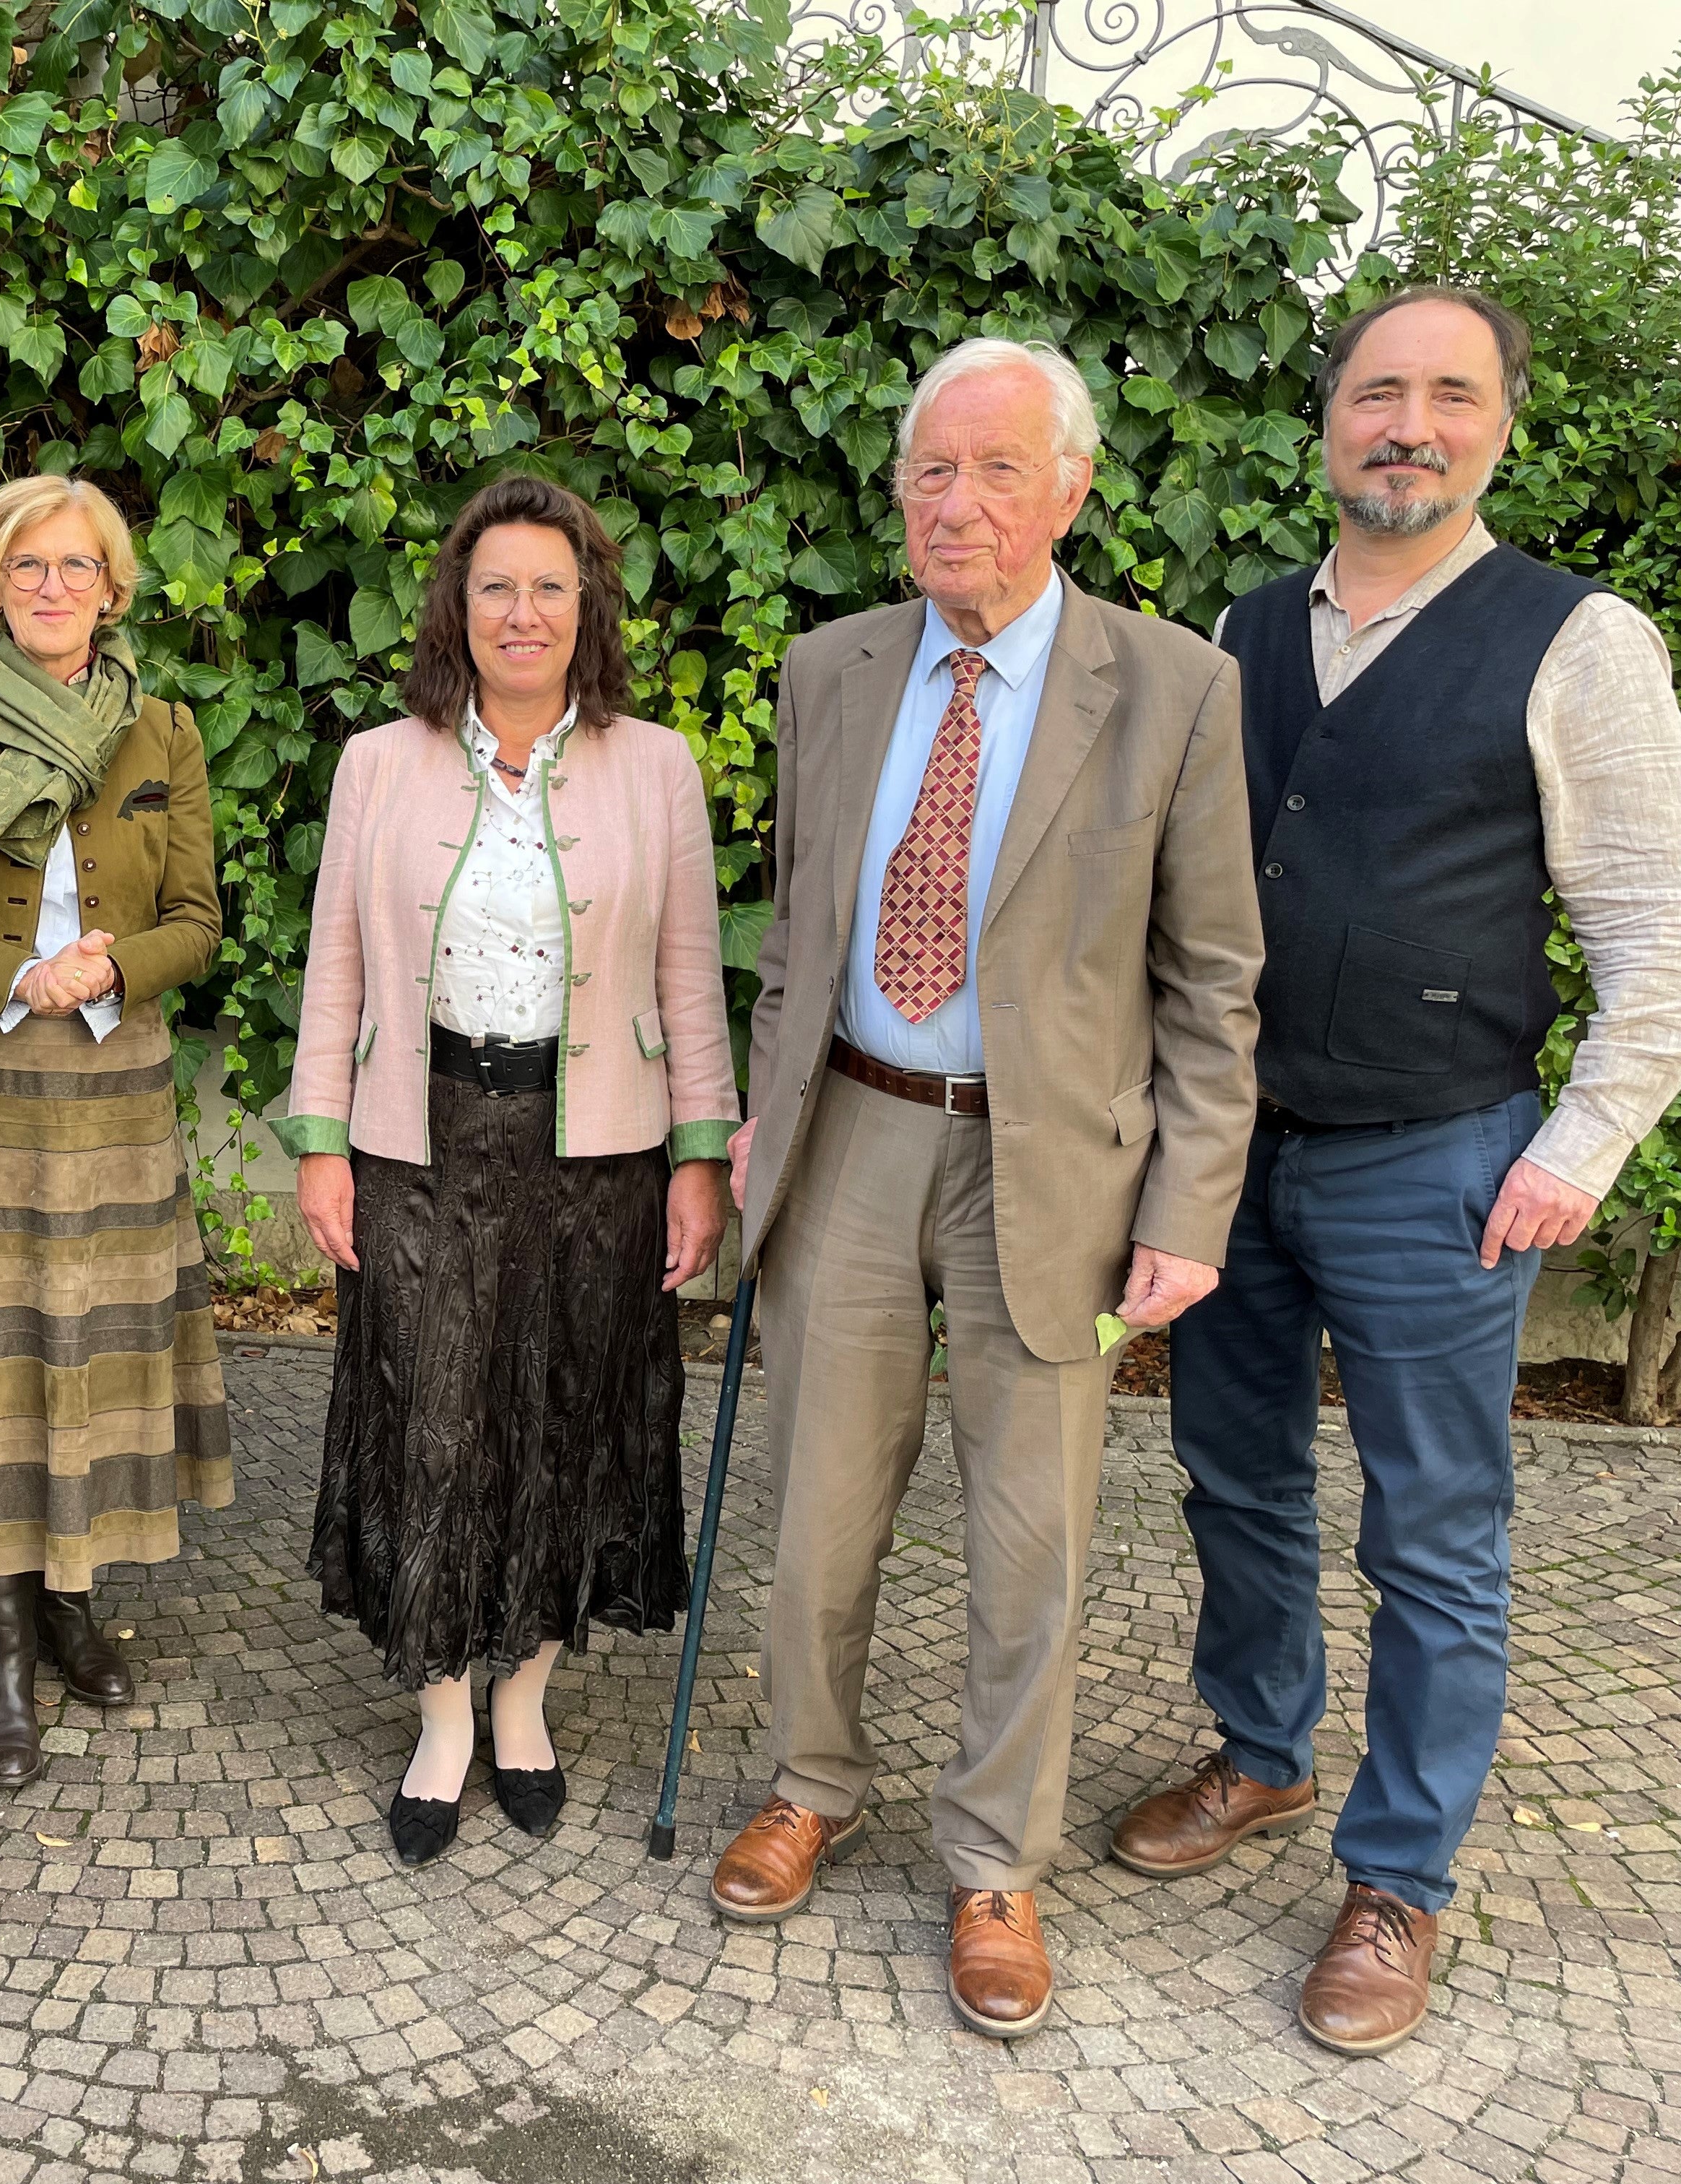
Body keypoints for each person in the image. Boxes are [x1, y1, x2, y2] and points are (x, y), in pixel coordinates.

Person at [1116, 287, 1681, 2056]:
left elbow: (1654, 932)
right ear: (1328, 422)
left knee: (1434, 1537)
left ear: (1501, 423)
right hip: (1235, 1153)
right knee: (1234, 1480)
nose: (1409, 426)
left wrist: (1580, 1147)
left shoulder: (1578, 641)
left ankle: (1400, 1877)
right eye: (1376, 393)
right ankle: (1264, 1752)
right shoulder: (1243, 629)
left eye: (1450, 394)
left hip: (1440, 1161)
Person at [718, 337, 1263, 2037]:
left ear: (1071, 490)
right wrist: (762, 1114)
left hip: (1054, 1165)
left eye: (997, 469)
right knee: (817, 1511)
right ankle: (810, 1779)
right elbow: (798, 933)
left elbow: (1215, 981)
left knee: (1032, 1537)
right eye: (930, 471)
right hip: (853, 1137)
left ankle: (996, 1862)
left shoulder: (1173, 688)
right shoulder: (829, 671)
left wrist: (1187, 1207)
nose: (954, 504)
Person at [274, 474, 734, 1867]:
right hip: (419, 1140)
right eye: (496, 588)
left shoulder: (655, 767)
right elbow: (335, 966)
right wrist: (318, 1142)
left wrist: (700, 1158)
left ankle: (524, 1700)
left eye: (548, 587)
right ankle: (441, 1718)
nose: (522, 612)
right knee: (433, 1420)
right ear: (457, 609)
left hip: (598, 1149)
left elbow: (692, 977)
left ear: (586, 607)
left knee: (563, 1420)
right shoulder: (379, 763)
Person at [0, 474, 230, 1790]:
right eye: (26, 566)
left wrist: (113, 966)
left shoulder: (165, 732)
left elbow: (199, 918)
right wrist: (24, 975)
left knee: (97, 1352)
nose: (52, 587)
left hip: (118, 1082)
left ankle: (75, 1602)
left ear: (113, 589)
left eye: (77, 566)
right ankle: (3, 1650)